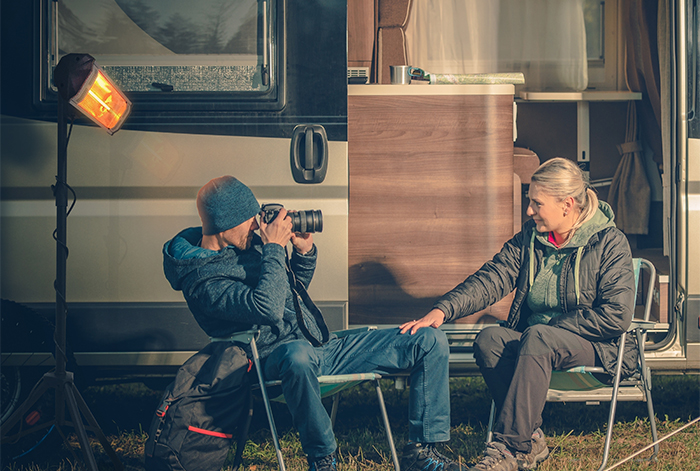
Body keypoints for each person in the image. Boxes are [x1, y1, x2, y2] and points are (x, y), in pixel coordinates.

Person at [162, 175, 463, 471]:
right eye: (250, 219)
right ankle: (323, 458)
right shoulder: (202, 279)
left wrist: (303, 254)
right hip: (271, 359)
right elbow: (265, 308)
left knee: (428, 339)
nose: (257, 225)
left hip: (321, 346)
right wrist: (274, 248)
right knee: (297, 355)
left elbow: (287, 295)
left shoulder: (247, 245)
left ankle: (423, 452)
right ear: (224, 224)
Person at [400, 157, 637, 471]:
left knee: (538, 336)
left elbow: (617, 315)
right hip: (539, 342)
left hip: (596, 345)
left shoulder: (609, 242)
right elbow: (493, 278)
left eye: (536, 203)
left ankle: (509, 450)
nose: (529, 210)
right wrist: (443, 309)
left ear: (566, 204)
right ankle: (531, 437)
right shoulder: (532, 239)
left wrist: (556, 327)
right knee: (490, 340)